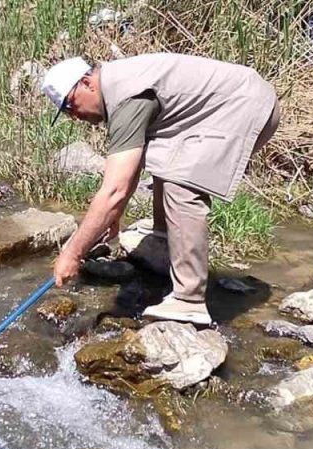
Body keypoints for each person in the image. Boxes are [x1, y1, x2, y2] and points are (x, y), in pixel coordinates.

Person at [40, 53, 280, 326]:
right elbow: (129, 172)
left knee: (181, 183)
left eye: (70, 105)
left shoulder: (127, 97)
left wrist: (72, 254)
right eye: (66, 113)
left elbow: (114, 191)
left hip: (246, 105)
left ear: (87, 83)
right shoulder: (120, 91)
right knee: (166, 163)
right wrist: (113, 218)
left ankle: (189, 300)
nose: (74, 116)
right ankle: (165, 243)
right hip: (229, 104)